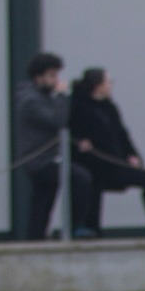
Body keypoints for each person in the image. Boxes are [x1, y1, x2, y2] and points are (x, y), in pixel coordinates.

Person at [68, 68, 145, 239]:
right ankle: (91, 230)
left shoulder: (110, 107)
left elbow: (122, 134)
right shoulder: (78, 107)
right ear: (98, 86)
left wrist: (133, 155)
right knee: (92, 186)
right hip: (94, 166)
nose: (111, 86)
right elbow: (72, 137)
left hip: (116, 164)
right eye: (108, 82)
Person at [14, 52, 99, 239]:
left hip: (48, 157)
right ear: (39, 77)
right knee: (80, 178)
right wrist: (62, 95)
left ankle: (35, 238)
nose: (56, 80)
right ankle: (75, 226)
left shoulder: (43, 97)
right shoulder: (31, 100)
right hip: (40, 161)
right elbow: (57, 120)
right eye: (52, 76)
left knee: (43, 202)